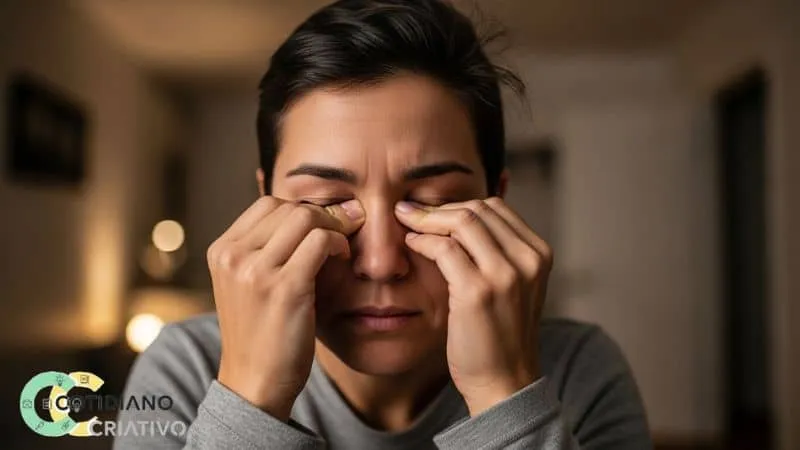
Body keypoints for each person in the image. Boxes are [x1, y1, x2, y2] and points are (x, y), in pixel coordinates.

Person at [113, 0, 651, 448]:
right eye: (327, 204)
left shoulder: (580, 371)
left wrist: (505, 397)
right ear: (264, 200)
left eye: (433, 203)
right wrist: (249, 399)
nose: (381, 262)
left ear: (496, 202)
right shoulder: (187, 367)